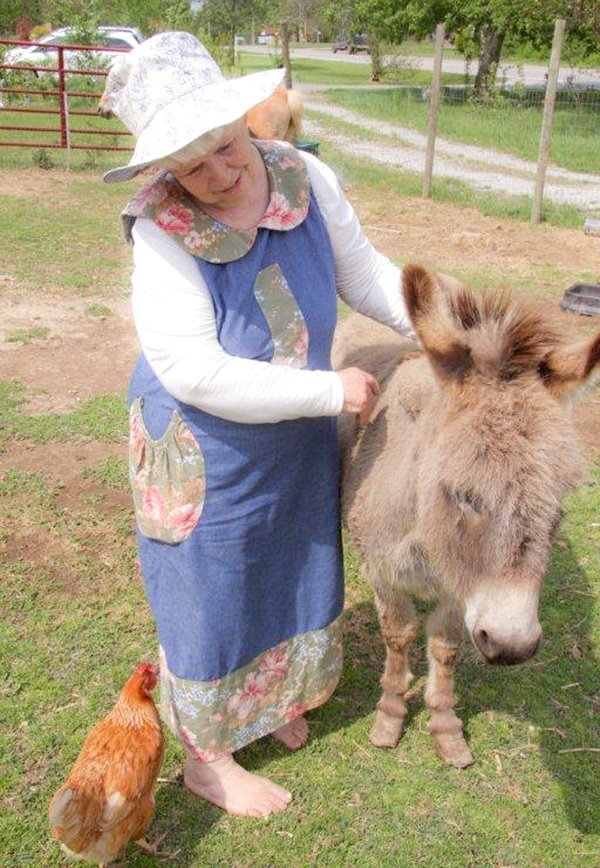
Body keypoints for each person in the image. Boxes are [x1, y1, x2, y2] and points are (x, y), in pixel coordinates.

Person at [103, 31, 415, 818]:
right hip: (205, 442)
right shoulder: (161, 229)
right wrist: (327, 394)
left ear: (246, 119)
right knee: (212, 585)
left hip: (294, 424)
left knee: (287, 561)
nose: (217, 173)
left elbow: (365, 272)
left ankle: (271, 705)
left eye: (225, 146)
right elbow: (195, 371)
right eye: (190, 165)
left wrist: (434, 323)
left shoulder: (302, 176)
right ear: (164, 170)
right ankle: (209, 760)